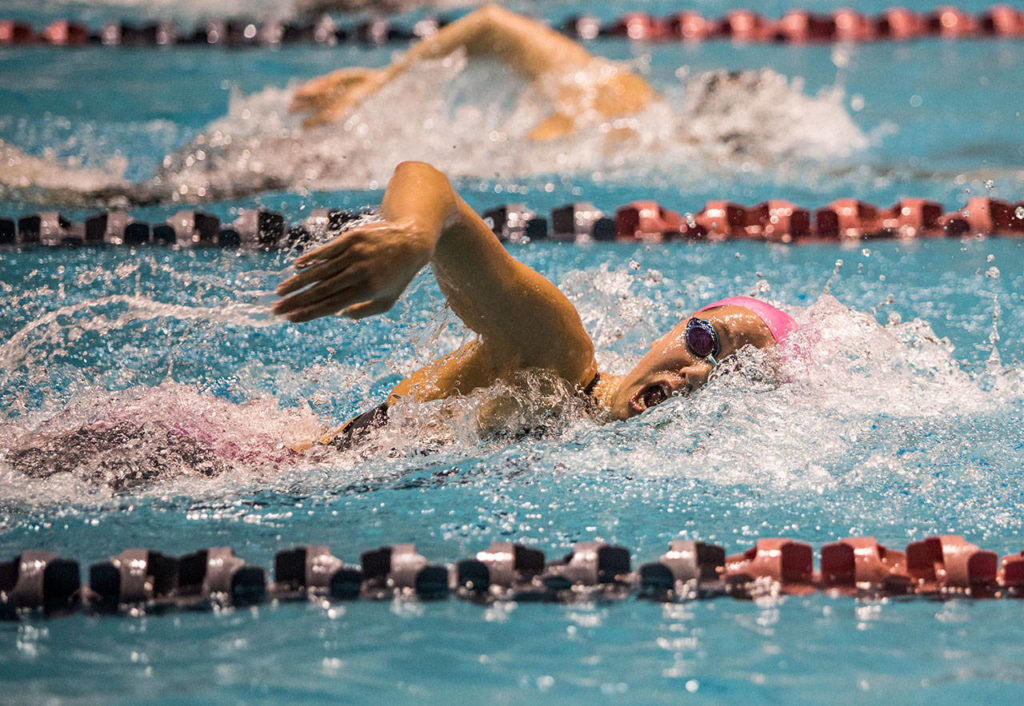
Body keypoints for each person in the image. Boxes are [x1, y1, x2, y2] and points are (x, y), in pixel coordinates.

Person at [273, 161, 797, 449]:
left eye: (733, 377)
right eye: (706, 342)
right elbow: (429, 183)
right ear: (671, 330)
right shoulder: (557, 353)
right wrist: (411, 237)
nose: (698, 376)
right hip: (260, 468)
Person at [289, 4, 658, 140]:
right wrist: (381, 82)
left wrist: (384, 80)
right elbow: (491, 24)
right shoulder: (626, 100)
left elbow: (490, 23)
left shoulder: (628, 99)